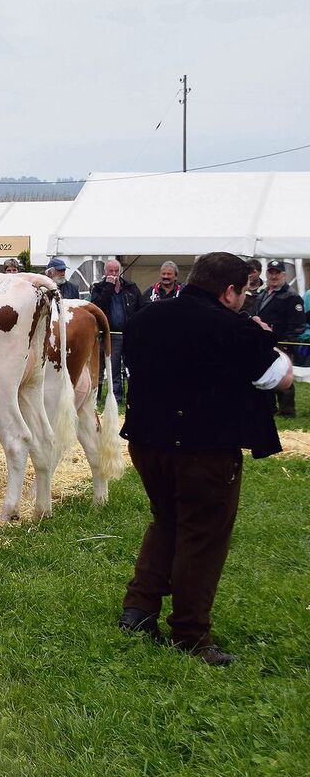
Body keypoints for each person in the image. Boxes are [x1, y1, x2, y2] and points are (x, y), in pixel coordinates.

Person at [118, 251, 292, 665]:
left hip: (148, 442)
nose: (244, 299)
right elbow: (279, 378)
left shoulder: (145, 317)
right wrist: (266, 339)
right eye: (244, 291)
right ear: (229, 291)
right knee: (202, 537)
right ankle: (191, 633)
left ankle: (138, 610)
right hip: (205, 450)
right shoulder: (235, 328)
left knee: (166, 521)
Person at [254, 260, 305, 417]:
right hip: (264, 342)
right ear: (266, 274)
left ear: (284, 275)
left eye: (277, 273)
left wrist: (287, 343)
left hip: (282, 342)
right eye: (271, 272)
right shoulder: (263, 293)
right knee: (267, 373)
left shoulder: (292, 296)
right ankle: (269, 407)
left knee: (283, 376)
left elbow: (298, 324)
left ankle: (287, 411)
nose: (274, 276)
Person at [90, 258, 141, 399]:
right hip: (108, 333)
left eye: (116, 271)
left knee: (127, 367)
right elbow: (97, 307)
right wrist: (109, 286)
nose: (114, 274)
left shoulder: (131, 287)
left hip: (128, 333)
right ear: (105, 272)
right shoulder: (98, 288)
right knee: (110, 367)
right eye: (110, 271)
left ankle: (127, 395)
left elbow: (140, 307)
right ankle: (108, 396)